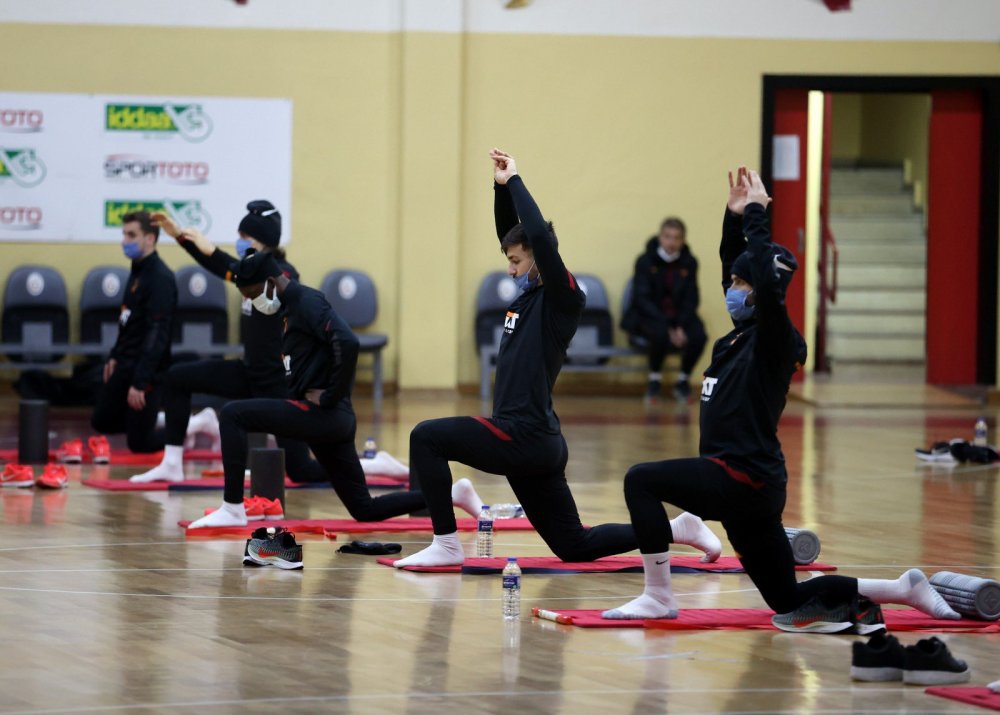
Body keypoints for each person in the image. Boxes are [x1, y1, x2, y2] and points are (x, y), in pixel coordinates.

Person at [602, 168, 960, 631]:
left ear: (761, 292)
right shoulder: (738, 337)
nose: (732, 290)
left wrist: (756, 214)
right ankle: (903, 589)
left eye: (741, 284)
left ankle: (657, 596)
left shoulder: (774, 340)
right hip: (745, 485)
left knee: (641, 480)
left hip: (742, 476)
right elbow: (737, 264)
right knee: (786, 598)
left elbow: (766, 284)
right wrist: (733, 216)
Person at [393, 149, 722, 568]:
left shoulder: (562, 299)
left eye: (516, 261)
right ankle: (679, 529)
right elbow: (512, 233)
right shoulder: (529, 294)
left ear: (539, 257)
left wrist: (516, 180)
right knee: (574, 545)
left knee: (426, 437)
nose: (510, 270)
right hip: (536, 443)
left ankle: (446, 543)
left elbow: (538, 236)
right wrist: (499, 189)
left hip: (522, 433)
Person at [187, 251, 484, 528]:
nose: (253, 302)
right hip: (329, 420)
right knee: (364, 509)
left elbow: (348, 341)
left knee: (233, 414)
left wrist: (331, 394)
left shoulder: (306, 301)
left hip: (322, 414)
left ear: (270, 283)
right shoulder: (289, 308)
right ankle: (454, 494)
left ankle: (233, 507)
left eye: (253, 294)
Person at [130, 201, 327, 485]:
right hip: (249, 374)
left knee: (301, 470)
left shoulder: (284, 273)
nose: (239, 242)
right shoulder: (248, 271)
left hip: (277, 387)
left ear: (263, 241)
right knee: (177, 378)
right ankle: (171, 464)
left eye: (245, 237)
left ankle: (369, 464)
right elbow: (220, 266)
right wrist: (181, 237)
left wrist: (210, 249)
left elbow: (233, 266)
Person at [91, 211, 176, 453]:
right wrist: (114, 355)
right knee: (101, 420)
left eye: (131, 235)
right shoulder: (137, 270)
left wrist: (141, 382)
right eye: (124, 234)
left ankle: (192, 426)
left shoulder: (160, 278)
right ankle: (154, 419)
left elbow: (157, 334)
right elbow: (127, 320)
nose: (124, 241)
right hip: (126, 361)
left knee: (140, 443)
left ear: (150, 238)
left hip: (147, 369)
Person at [622, 216, 707, 401]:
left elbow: (692, 298)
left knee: (699, 335)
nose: (671, 242)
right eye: (668, 236)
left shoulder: (689, 262)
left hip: (679, 317)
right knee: (659, 333)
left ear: (683, 240)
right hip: (649, 315)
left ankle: (683, 379)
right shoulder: (645, 260)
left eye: (677, 238)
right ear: (660, 237)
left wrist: (681, 325)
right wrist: (669, 327)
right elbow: (641, 298)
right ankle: (654, 380)